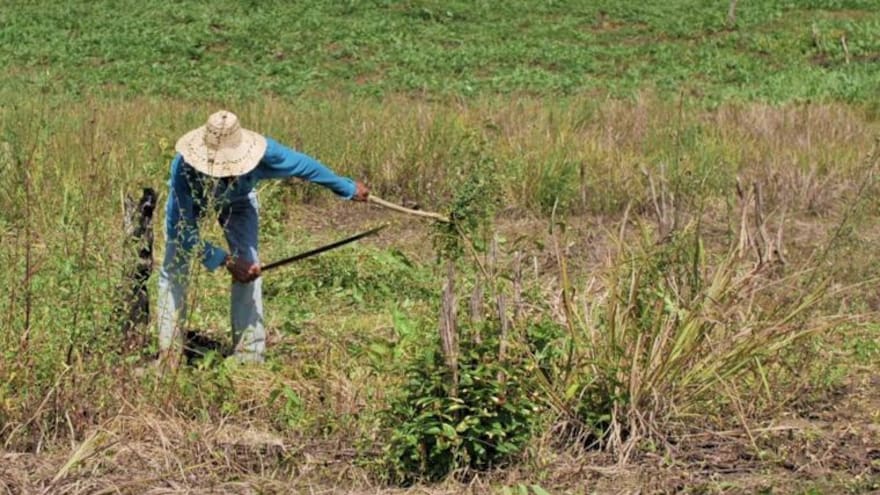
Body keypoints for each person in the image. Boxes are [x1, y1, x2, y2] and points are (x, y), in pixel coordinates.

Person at [157, 110, 369, 366]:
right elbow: (180, 230)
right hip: (194, 204)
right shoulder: (184, 168)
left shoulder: (265, 154)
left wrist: (345, 187)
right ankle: (169, 356)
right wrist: (223, 259)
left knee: (249, 265)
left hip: (239, 202)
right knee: (173, 268)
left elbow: (305, 166)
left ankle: (249, 357)